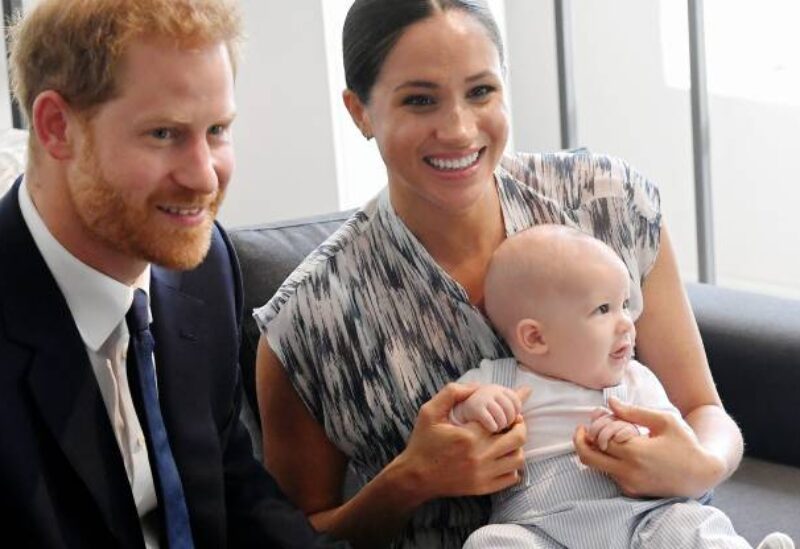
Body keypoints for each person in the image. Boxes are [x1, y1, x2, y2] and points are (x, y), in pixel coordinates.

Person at [254, 1, 744, 547]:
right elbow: (292, 537)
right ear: (360, 112)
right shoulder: (308, 320)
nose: (460, 130)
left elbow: (704, 409)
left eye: (481, 91)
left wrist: (698, 466)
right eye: (420, 100)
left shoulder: (607, 201)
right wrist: (411, 480)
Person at [0, 1, 348, 547]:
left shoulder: (203, 269)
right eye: (164, 134)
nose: (205, 177)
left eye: (217, 130)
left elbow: (232, 486)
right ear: (56, 127)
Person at [450, 225, 793, 549]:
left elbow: (672, 441)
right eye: (604, 309)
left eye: (625, 304)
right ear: (536, 337)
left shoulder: (636, 380)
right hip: (540, 528)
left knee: (691, 524)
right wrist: (474, 406)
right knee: (490, 541)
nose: (626, 322)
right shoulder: (499, 380)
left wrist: (634, 437)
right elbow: (445, 420)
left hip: (643, 519)